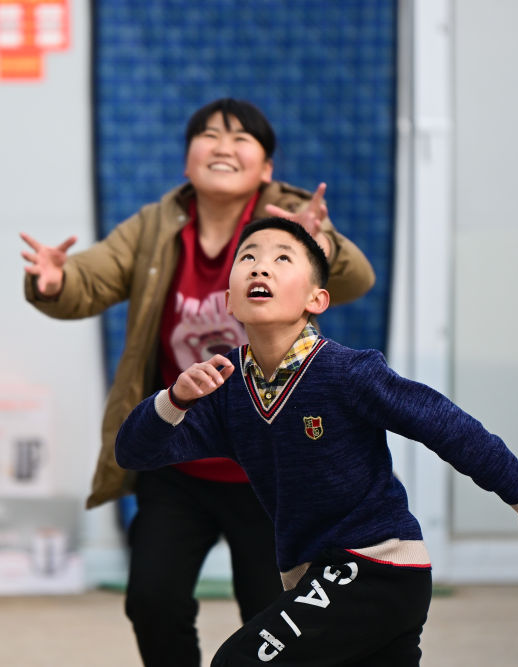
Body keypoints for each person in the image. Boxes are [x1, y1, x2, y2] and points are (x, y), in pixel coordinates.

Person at [115, 217, 518, 666]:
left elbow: (450, 427)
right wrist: (173, 399)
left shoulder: (348, 372)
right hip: (314, 578)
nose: (260, 266)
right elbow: (135, 452)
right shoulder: (227, 392)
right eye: (248, 257)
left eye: (282, 258)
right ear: (228, 302)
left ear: (317, 299)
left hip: (377, 567)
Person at [21, 99, 376, 666]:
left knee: (271, 618)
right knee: (152, 601)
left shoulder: (290, 218)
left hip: (269, 464)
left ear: (266, 167)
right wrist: (55, 282)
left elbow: (354, 280)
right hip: (181, 458)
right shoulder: (156, 225)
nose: (223, 147)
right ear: (187, 160)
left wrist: (323, 246)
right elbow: (90, 278)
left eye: (241, 138)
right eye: (209, 135)